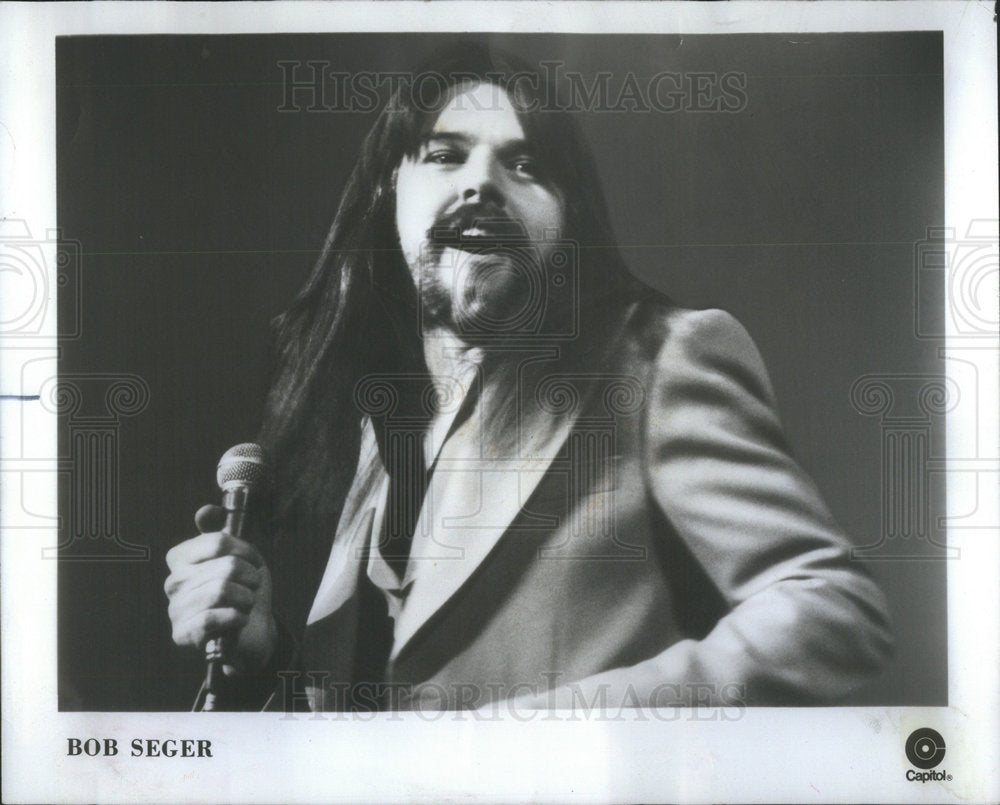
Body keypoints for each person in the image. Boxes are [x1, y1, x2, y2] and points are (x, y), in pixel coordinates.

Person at [164, 42, 892, 712]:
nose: (482, 183)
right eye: (446, 154)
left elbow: (832, 611)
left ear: (566, 215)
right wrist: (264, 661)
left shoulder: (663, 355)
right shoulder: (380, 432)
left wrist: (537, 738)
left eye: (526, 164)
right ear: (391, 190)